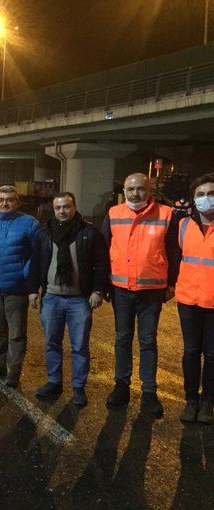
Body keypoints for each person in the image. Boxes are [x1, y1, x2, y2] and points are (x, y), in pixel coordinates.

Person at [102, 173, 179, 417]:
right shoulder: (113, 213)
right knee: (122, 339)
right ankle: (121, 385)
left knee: (148, 341)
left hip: (151, 292)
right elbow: (103, 250)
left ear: (150, 191)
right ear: (124, 191)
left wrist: (171, 285)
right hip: (121, 290)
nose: (135, 194)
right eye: (130, 189)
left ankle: (149, 391)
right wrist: (103, 284)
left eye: (140, 189)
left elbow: (174, 252)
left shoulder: (166, 214)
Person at [27, 192, 109, 406]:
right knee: (51, 343)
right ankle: (54, 382)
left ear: (74, 207)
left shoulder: (88, 232)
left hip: (79, 300)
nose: (62, 211)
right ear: (53, 209)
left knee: (79, 345)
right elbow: (35, 263)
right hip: (51, 298)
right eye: (58, 208)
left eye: (66, 206)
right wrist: (33, 290)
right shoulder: (45, 233)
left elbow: (102, 263)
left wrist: (97, 290)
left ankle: (78, 387)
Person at [0, 185, 39, 387]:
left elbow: (37, 253)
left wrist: (25, 274)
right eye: (1, 200)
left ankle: (13, 371)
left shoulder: (29, 223)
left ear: (17, 202)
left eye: (10, 199)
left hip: (17, 289)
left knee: (16, 333)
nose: (5, 203)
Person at [175, 173, 214, 424]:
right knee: (190, 352)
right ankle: (191, 400)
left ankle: (208, 401)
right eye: (200, 194)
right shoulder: (183, 226)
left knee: (212, 355)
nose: (205, 198)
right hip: (188, 300)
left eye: (211, 194)